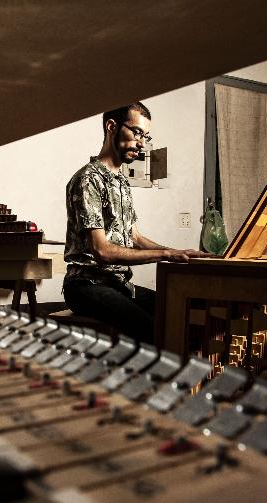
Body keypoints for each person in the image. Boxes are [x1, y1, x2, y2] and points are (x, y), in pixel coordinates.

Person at [63, 102, 208, 342]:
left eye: (145, 136)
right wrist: (166, 255)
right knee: (156, 332)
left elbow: (135, 237)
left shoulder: (120, 181)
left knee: (182, 312)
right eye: (137, 133)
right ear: (111, 127)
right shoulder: (88, 179)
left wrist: (178, 252)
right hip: (87, 286)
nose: (142, 143)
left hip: (118, 284)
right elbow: (102, 251)